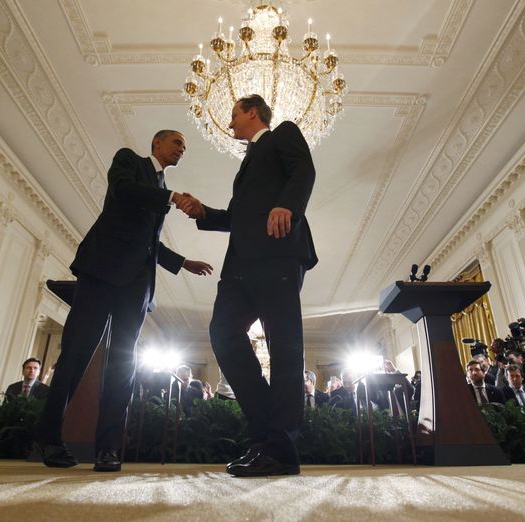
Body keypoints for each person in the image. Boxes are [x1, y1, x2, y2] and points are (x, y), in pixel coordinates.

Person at [34, 130, 213, 472]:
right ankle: (48, 437)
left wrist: (181, 262)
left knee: (123, 364)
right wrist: (173, 197)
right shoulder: (129, 161)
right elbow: (123, 191)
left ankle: (108, 449)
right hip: (101, 272)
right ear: (156, 144)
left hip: (136, 286)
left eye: (185, 147)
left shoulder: (160, 191)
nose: (181, 150)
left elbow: (147, 242)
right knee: (76, 353)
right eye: (177, 143)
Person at [182, 94, 317, 477]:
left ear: (252, 112)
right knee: (222, 333)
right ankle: (264, 434)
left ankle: (281, 450)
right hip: (240, 264)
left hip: (278, 252)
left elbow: (304, 171)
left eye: (234, 114)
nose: (229, 123)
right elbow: (241, 217)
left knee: (284, 346)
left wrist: (287, 205)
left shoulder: (282, 135)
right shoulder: (247, 163)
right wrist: (203, 213)